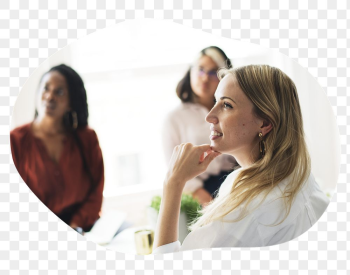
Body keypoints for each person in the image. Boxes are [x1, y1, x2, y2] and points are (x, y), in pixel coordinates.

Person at [153, 65, 329, 253]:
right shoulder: (298, 176)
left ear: (265, 123)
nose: (210, 116)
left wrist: (173, 182)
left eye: (227, 105)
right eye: (215, 102)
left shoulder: (247, 212)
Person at [10, 64, 104, 233]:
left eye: (59, 92)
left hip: (84, 228)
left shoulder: (86, 138)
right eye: (46, 88)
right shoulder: (14, 141)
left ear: (71, 102)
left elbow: (96, 192)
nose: (50, 96)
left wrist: (76, 225)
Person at [162, 46, 237, 206]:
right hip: (199, 191)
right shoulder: (175, 118)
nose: (205, 78)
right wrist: (209, 204)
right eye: (200, 70)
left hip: (235, 182)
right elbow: (173, 168)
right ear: (190, 72)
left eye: (213, 72)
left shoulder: (235, 110)